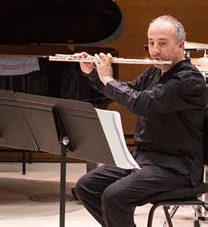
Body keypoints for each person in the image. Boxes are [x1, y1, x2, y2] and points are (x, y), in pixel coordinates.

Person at [74, 15, 206, 227]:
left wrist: (108, 79)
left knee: (114, 196)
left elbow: (141, 103)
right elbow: (125, 92)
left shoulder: (189, 80)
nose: (155, 50)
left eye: (162, 43)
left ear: (181, 46)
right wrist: (93, 75)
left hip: (178, 167)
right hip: (145, 159)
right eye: (151, 43)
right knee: (86, 186)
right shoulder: (154, 72)